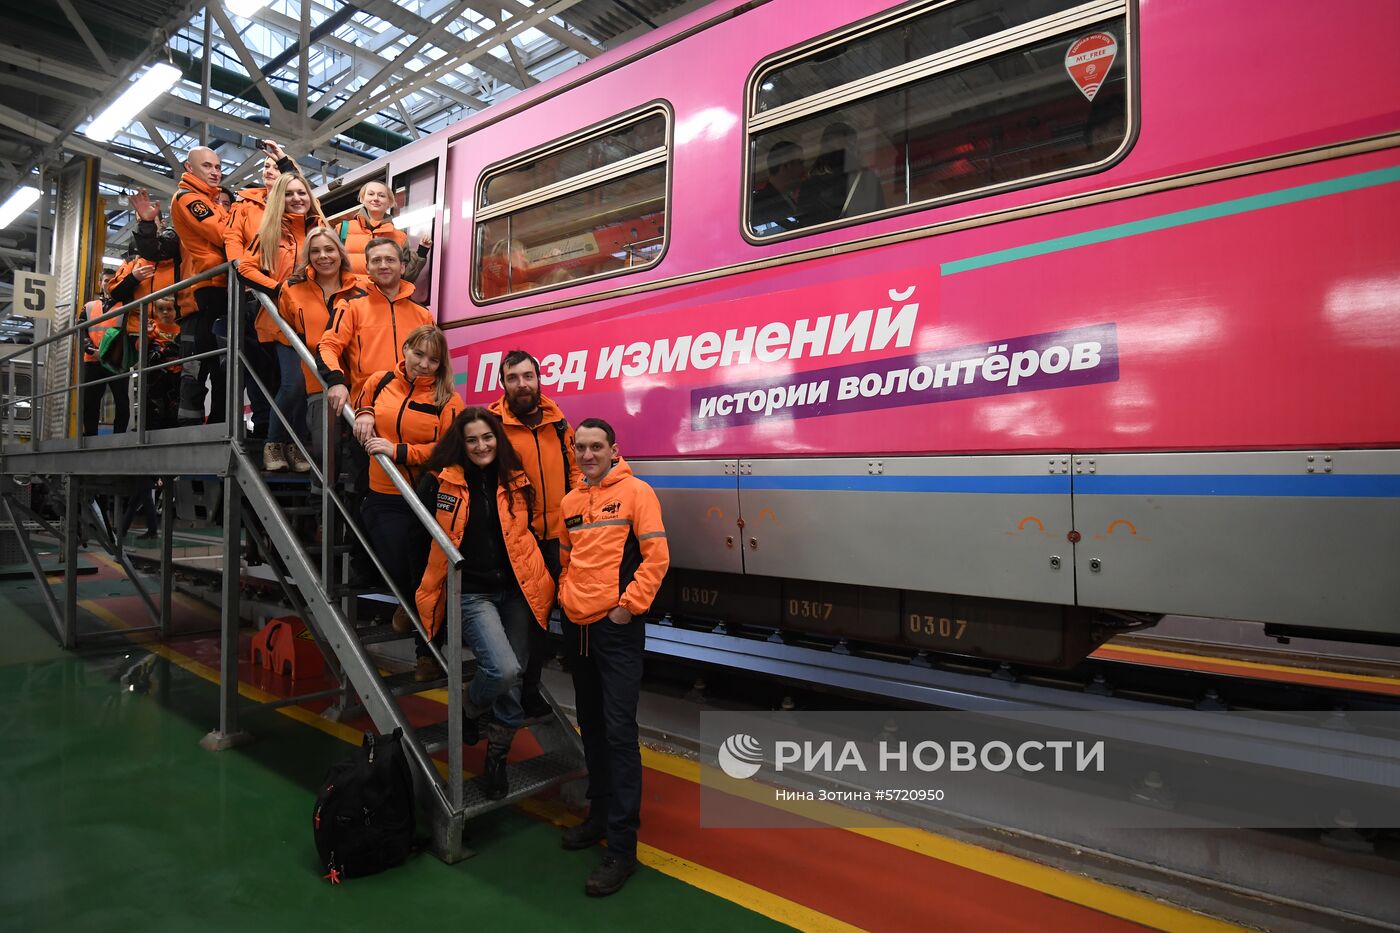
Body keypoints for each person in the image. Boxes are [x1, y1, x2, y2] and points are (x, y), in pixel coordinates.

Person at [415, 406, 555, 800]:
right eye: (472, 440)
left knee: (515, 678)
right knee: (503, 669)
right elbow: (419, 538)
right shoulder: (439, 482)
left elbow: (527, 531)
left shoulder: (515, 478)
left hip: (517, 589)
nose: (481, 446)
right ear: (460, 444)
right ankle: (470, 707)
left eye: (488, 437)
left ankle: (497, 760)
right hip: (471, 592)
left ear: (498, 439)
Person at [556, 418, 669, 897]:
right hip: (578, 628)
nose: (587, 455)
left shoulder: (638, 493)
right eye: (580, 448)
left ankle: (622, 849)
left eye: (596, 447)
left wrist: (627, 608)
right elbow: (566, 560)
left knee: (620, 733)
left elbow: (657, 558)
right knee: (592, 726)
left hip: (616, 629)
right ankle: (598, 816)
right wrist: (566, 597)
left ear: (613, 449)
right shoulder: (570, 502)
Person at [351, 324, 462, 672]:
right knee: (398, 566)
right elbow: (362, 401)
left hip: (423, 497)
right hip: (382, 493)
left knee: (426, 578)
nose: (424, 364)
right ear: (405, 349)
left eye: (433, 359)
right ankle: (409, 610)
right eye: (418, 354)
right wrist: (364, 413)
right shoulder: (380, 381)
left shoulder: (448, 400)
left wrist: (399, 451)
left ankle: (427, 654)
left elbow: (448, 450)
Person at [488, 350, 581, 718]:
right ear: (503, 383)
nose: (522, 384)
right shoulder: (493, 426)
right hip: (518, 541)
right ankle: (508, 702)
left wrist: (575, 519)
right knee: (520, 624)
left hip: (557, 540)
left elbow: (575, 472)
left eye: (528, 376)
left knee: (544, 621)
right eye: (513, 378)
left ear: (539, 379)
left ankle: (528, 692)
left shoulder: (558, 423)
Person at [225, 172, 325, 470]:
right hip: (284, 321)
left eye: (302, 193)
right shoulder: (269, 232)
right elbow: (244, 269)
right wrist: (279, 289)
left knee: (307, 388)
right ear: (279, 199)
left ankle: (294, 446)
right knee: (293, 384)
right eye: (289, 193)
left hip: (318, 320)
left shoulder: (319, 230)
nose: (297, 198)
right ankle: (273, 444)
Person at [318, 237, 433, 422]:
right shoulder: (349, 306)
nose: (383, 265)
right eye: (376, 260)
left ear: (402, 267)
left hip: (416, 409)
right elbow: (327, 346)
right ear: (367, 268)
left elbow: (437, 360)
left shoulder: (423, 314)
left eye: (390, 260)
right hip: (368, 410)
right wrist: (335, 381)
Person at [278, 228, 360, 464]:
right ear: (308, 256)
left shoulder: (361, 288)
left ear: (340, 252)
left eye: (329, 249)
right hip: (319, 382)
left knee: (360, 456)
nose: (323, 256)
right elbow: (289, 331)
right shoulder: (292, 290)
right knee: (326, 455)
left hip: (359, 382)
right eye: (315, 251)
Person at [169, 146, 230, 426]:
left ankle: (218, 420)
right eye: (207, 166)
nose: (215, 172)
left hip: (218, 284)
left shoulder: (211, 200)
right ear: (189, 168)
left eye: (217, 167)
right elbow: (222, 233)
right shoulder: (189, 199)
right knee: (207, 363)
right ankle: (194, 427)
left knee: (221, 363)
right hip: (210, 286)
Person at [337, 179, 431, 280]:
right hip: (350, 290)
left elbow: (404, 278)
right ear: (362, 199)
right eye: (371, 194)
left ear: (389, 202)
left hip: (384, 291)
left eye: (381, 195)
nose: (376, 198)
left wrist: (422, 252)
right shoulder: (343, 229)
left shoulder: (400, 237)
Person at [798, 122, 885, 225]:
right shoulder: (867, 178)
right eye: (848, 142)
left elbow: (805, 223)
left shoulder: (809, 186)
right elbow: (879, 217)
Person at [77, 270, 130, 436]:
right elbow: (81, 331)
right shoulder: (89, 307)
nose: (108, 284)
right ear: (100, 283)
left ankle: (119, 436)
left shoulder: (126, 306)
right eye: (106, 281)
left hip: (116, 360)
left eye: (113, 281)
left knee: (121, 401)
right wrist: (91, 349)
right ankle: (90, 436)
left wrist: (106, 353)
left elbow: (128, 332)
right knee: (90, 402)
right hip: (92, 360)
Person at [750, 139, 806, 233]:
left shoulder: (782, 197)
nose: (803, 169)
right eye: (800, 163)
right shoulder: (761, 204)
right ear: (785, 165)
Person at [144, 297, 182, 431]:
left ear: (176, 310)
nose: (165, 312)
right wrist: (147, 334)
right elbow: (140, 347)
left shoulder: (181, 328)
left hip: (176, 373)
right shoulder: (153, 326)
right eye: (161, 309)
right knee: (155, 403)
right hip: (157, 374)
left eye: (169, 309)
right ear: (155, 311)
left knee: (174, 405)